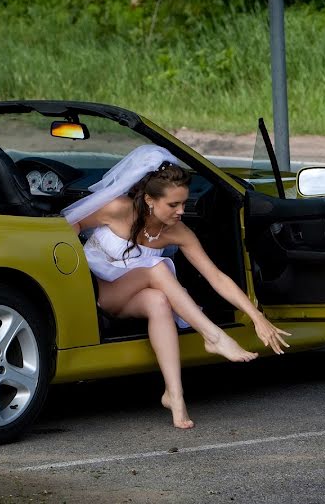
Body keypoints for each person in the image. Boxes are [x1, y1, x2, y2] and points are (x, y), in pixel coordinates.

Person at [62, 144, 291, 429]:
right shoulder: (117, 209)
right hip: (99, 293)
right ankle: (213, 336)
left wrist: (256, 316)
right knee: (157, 269)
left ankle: (175, 395)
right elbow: (67, 226)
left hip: (134, 299)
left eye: (184, 203)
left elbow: (216, 276)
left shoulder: (178, 231)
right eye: (173, 205)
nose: (181, 211)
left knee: (159, 301)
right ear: (149, 200)